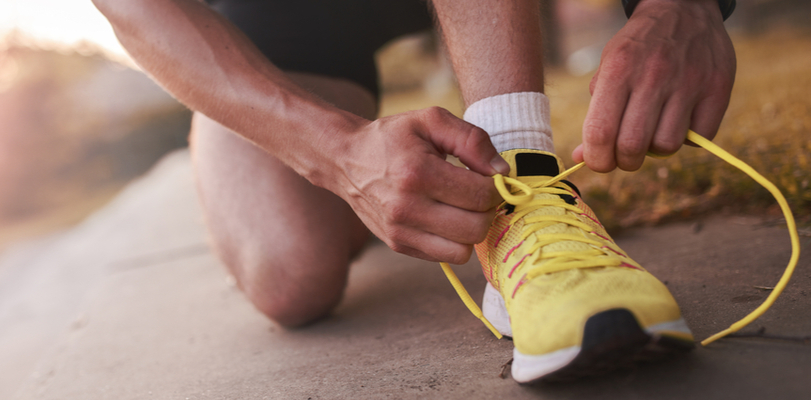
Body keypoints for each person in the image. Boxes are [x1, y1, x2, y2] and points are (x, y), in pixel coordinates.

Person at [93, 0, 736, 383]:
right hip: (280, 13)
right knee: (291, 276)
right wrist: (338, 155)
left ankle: (525, 189)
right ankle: (253, 103)